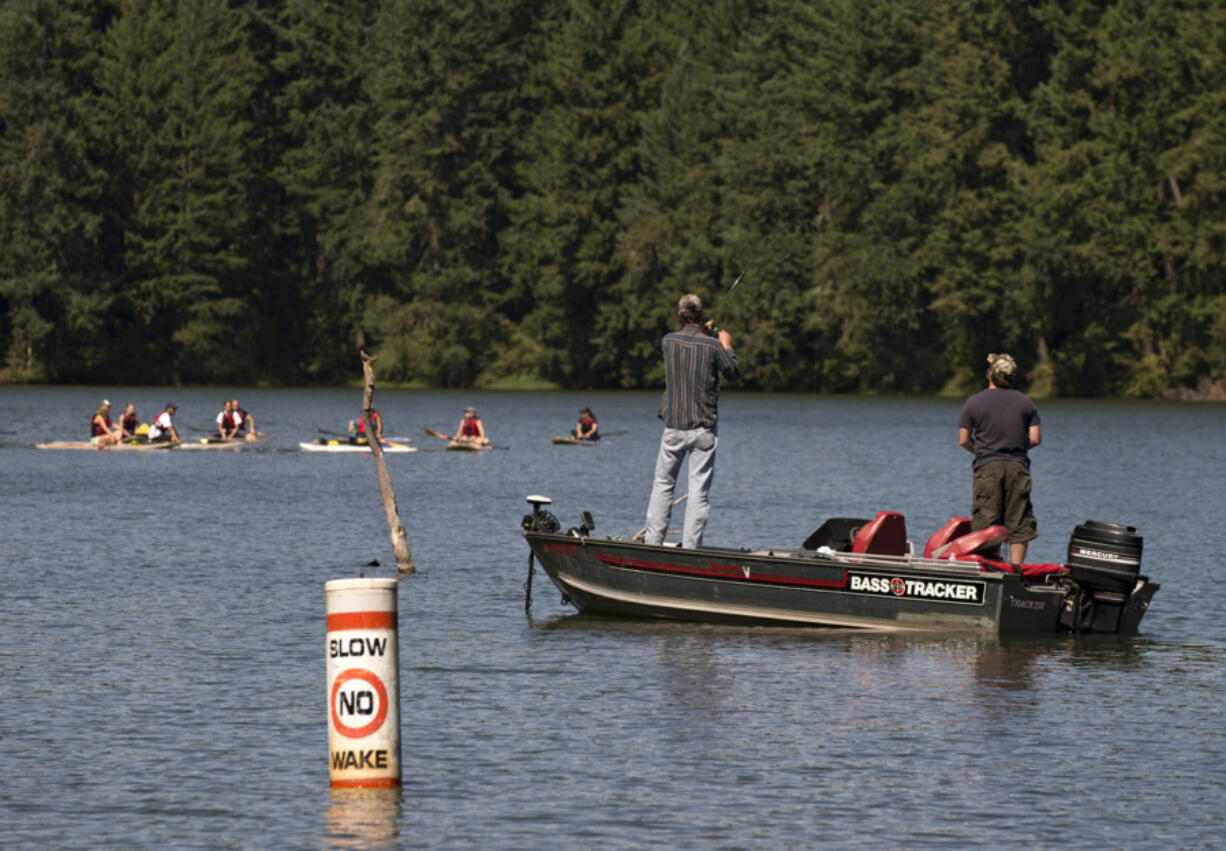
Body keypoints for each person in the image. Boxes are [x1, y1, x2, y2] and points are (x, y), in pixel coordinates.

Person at [641, 293, 740, 548]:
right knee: (698, 492)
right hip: (703, 430)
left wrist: (706, 337)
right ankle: (690, 548)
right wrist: (726, 344)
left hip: (673, 426)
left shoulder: (667, 341)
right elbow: (733, 372)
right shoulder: (713, 346)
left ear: (680, 315)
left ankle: (653, 543)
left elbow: (689, 345)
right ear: (701, 315)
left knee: (663, 485)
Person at [957, 352, 1042, 566]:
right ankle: (1016, 572)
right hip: (1018, 467)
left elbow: (963, 440)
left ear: (990, 374)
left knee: (986, 520)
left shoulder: (973, 402)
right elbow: (1035, 438)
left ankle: (988, 568)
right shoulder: (1027, 403)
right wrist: (1016, 446)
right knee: (1019, 523)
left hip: (987, 467)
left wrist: (983, 451)